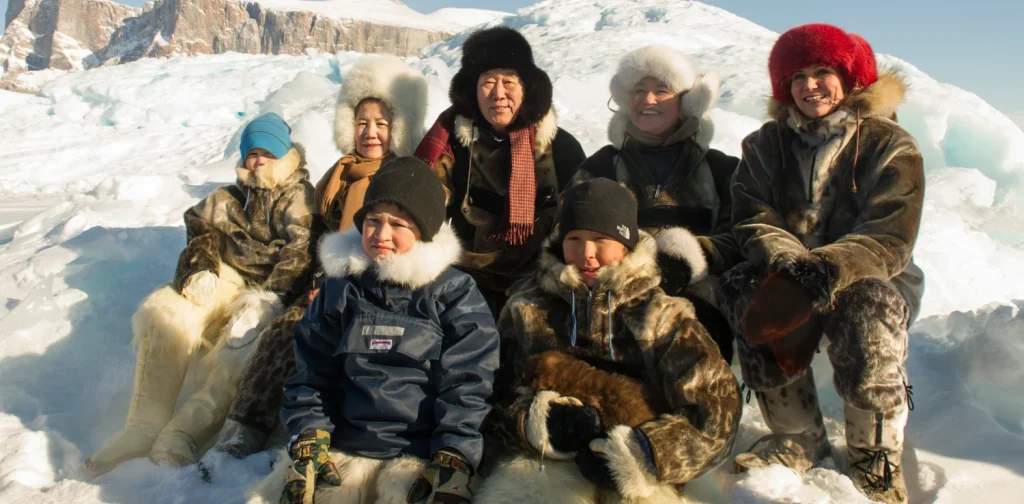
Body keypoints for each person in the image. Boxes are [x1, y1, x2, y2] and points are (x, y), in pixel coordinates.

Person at [722, 23, 925, 504]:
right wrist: (791, 267)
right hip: (787, 272)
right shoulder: (763, 145)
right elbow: (752, 217)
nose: (809, 85)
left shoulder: (891, 144)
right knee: (743, 286)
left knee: (868, 306)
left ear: (850, 76)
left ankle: (873, 452)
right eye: (797, 76)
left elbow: (888, 237)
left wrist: (823, 271)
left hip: (874, 274)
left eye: (822, 72)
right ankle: (797, 436)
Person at [210, 55, 428, 459]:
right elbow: (322, 234)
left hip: (382, 289)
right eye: (362, 122)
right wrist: (317, 283)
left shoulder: (408, 174)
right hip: (331, 281)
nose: (371, 132)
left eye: (382, 123)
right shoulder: (341, 172)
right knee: (288, 329)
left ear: (398, 127)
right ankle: (244, 426)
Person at [246, 158, 499, 504]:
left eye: (397, 224)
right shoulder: (341, 290)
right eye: (372, 221)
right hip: (344, 453)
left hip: (420, 458)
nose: (381, 235)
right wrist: (309, 434)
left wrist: (455, 454)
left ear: (422, 231)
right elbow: (311, 373)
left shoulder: (453, 293)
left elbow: (469, 382)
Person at [477, 179, 740, 504]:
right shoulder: (528, 307)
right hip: (544, 460)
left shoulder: (661, 315)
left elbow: (717, 406)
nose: (586, 253)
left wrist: (646, 452)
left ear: (626, 244)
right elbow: (491, 392)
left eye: (601, 239)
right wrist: (535, 423)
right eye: (574, 239)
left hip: (639, 466)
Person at [84, 113, 316, 475]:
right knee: (166, 312)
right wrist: (200, 269)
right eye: (252, 153)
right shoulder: (226, 199)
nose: (258, 161)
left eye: (267, 153)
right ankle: (143, 426)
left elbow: (302, 251)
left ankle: (183, 433)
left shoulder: (301, 199)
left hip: (268, 294)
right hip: (227, 279)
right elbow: (200, 230)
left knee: (241, 352)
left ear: (284, 155)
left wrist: (269, 298)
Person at [571, 44, 741, 362]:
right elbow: (569, 230)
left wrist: (690, 258)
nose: (648, 100)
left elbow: (741, 233)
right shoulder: (600, 168)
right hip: (615, 302)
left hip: (701, 306)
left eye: (661, 91)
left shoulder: (722, 169)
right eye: (639, 90)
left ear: (685, 101)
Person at [415, 26, 586, 315]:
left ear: (527, 88)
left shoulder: (562, 148)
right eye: (487, 82)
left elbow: (582, 220)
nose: (498, 93)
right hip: (463, 277)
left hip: (539, 282)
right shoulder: (451, 146)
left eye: (509, 81)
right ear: (472, 90)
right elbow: (423, 208)